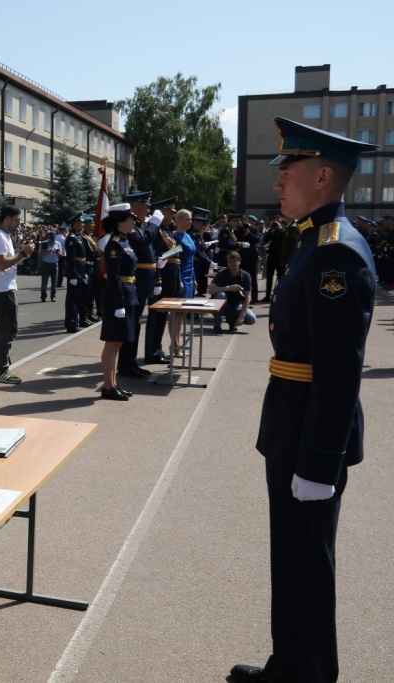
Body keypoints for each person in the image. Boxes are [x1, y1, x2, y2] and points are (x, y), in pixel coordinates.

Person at [229, 119, 378, 683]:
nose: (278, 184)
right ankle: (292, 664)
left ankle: (308, 673)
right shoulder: (313, 240)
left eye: (287, 172)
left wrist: (318, 461)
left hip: (309, 435)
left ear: (322, 175)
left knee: (307, 564)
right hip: (291, 422)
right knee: (292, 561)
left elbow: (340, 371)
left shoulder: (334, 252)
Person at [0, 204, 35, 383]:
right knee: (8, 329)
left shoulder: (2, 235)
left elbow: (9, 263)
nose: (19, 223)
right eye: (17, 220)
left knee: (1, 328)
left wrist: (24, 254)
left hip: (2, 287)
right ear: (7, 219)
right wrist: (23, 253)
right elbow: (2, 263)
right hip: (4, 289)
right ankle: (1, 370)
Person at [98, 204, 139, 401]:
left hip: (128, 293)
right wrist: (119, 304)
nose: (133, 222)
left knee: (118, 342)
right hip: (118, 296)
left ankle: (113, 384)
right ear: (120, 221)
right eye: (130, 219)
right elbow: (113, 277)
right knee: (112, 343)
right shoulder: (114, 244)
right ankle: (108, 386)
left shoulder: (125, 242)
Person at [118, 191, 155, 377]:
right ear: (135, 207)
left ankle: (130, 362)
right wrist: (155, 225)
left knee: (136, 324)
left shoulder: (139, 226)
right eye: (145, 205)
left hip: (143, 281)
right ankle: (125, 364)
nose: (148, 208)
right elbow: (141, 244)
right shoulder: (132, 229)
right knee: (131, 324)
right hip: (136, 281)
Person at [145, 196, 178, 364]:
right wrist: (157, 280)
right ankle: (151, 352)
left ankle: (157, 349)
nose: (173, 215)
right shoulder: (156, 230)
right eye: (170, 212)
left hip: (169, 279)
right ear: (162, 212)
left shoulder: (166, 230)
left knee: (162, 318)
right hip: (161, 279)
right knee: (156, 318)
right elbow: (153, 255)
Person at [169, 209, 197, 355]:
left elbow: (191, 260)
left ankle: (178, 343)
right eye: (187, 219)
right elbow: (175, 262)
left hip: (189, 277)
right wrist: (178, 280)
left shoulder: (188, 236)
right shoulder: (176, 238)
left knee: (181, 313)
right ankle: (174, 345)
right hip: (180, 278)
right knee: (175, 312)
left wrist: (194, 278)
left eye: (190, 219)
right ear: (178, 220)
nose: (190, 221)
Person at [208, 251, 257, 333]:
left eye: (234, 261)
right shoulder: (221, 274)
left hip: (236, 305)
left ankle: (231, 320)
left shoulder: (245, 276)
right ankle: (217, 324)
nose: (231, 264)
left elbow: (248, 296)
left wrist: (242, 315)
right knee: (221, 295)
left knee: (252, 319)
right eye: (229, 261)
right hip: (221, 305)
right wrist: (228, 288)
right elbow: (210, 290)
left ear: (239, 261)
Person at [63, 213, 87, 333]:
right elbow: (71, 259)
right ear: (75, 224)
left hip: (80, 272)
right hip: (75, 273)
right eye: (81, 222)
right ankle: (71, 324)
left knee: (78, 300)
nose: (83, 224)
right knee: (72, 300)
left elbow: (82, 258)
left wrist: (83, 273)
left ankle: (75, 322)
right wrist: (72, 275)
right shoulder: (72, 238)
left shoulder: (78, 237)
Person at [37, 230, 61, 302]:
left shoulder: (58, 243)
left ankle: (53, 296)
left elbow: (61, 254)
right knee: (44, 282)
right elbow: (40, 254)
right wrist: (49, 251)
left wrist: (56, 252)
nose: (52, 240)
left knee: (54, 282)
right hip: (46, 264)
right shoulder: (44, 243)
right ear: (49, 237)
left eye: (53, 239)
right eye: (51, 239)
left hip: (54, 264)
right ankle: (43, 296)